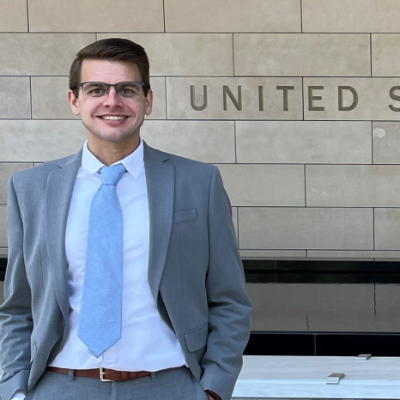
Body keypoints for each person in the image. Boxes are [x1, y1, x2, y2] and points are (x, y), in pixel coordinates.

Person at [0, 38, 252, 400]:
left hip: (171, 386)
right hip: (58, 387)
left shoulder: (199, 183)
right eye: (96, 89)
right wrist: (15, 391)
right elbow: (18, 307)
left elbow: (230, 299)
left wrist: (213, 389)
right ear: (75, 101)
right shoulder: (31, 188)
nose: (112, 101)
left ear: (147, 100)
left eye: (127, 89)